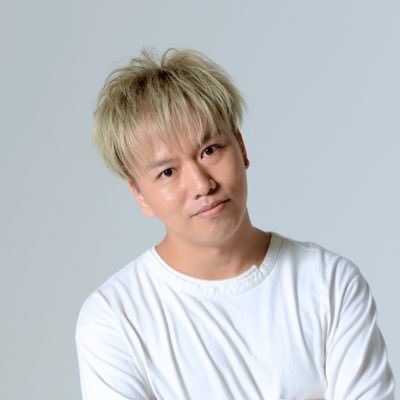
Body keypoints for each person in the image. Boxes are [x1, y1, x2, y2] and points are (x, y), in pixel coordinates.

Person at [75, 48, 395, 399]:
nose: (202, 185)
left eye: (210, 150)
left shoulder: (328, 284)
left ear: (241, 147)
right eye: (168, 172)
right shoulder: (113, 318)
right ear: (140, 194)